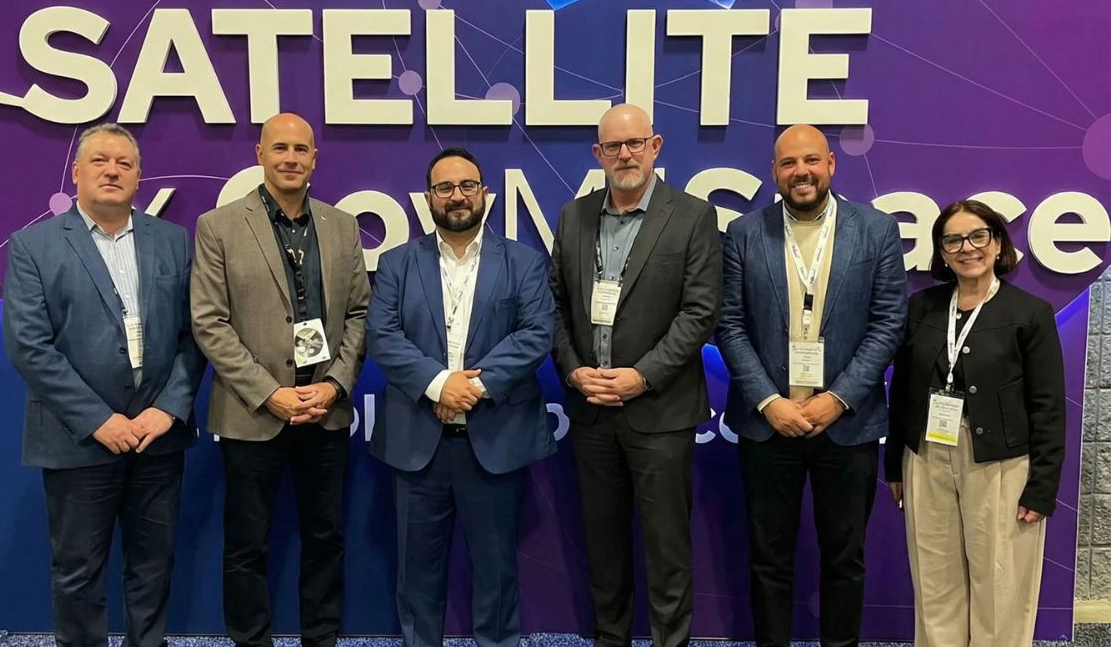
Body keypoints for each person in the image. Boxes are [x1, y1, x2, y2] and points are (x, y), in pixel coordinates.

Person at [3, 123, 204, 647]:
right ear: (76, 172)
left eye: (124, 163)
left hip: (157, 437)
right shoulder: (33, 246)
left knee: (154, 567)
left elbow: (196, 335)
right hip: (79, 441)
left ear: (138, 177)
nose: (112, 171)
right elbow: (29, 346)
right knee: (78, 573)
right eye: (99, 161)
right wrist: (99, 420)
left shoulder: (173, 240)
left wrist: (169, 408)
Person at [716, 124, 907, 647]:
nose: (800, 172)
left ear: (831, 165)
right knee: (768, 558)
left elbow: (889, 323)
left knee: (844, 559)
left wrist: (837, 399)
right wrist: (768, 400)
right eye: (788, 163)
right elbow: (729, 324)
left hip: (846, 426)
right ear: (774, 172)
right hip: (768, 424)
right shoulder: (744, 233)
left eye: (811, 161)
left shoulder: (876, 230)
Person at [190, 112, 370, 647]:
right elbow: (209, 321)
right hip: (252, 414)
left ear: (315, 158)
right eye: (280, 148)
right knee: (247, 544)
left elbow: (360, 314)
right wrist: (269, 393)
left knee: (326, 538)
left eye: (301, 149)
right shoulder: (218, 226)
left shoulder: (342, 226)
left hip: (325, 410)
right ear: (260, 154)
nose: (291, 158)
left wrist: (334, 386)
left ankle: (322, 638)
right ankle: (251, 640)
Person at [366, 147, 556, 647]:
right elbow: (382, 336)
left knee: (497, 575)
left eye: (467, 185)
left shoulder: (524, 262)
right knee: (416, 576)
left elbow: (536, 334)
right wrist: (437, 383)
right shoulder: (396, 264)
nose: (457, 196)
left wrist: (468, 388)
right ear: (428, 197)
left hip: (494, 441)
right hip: (418, 444)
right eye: (445, 187)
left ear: (485, 193)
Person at [550, 103, 722, 647]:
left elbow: (700, 313)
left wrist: (642, 376)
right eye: (613, 146)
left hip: (660, 412)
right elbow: (553, 308)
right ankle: (611, 639)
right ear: (598, 154)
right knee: (604, 547)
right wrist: (574, 372)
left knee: (667, 549)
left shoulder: (693, 216)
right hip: (591, 411)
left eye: (635, 143)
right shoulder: (573, 217)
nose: (625, 154)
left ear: (655, 146)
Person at [886, 199, 1064, 646]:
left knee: (1000, 587)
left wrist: (1042, 487)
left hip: (1000, 464)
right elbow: (902, 388)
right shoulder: (921, 308)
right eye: (953, 240)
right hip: (925, 456)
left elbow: (1047, 406)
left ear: (998, 243)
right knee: (934, 581)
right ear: (942, 253)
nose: (967, 248)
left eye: (978, 236)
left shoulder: (1029, 312)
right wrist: (894, 467)